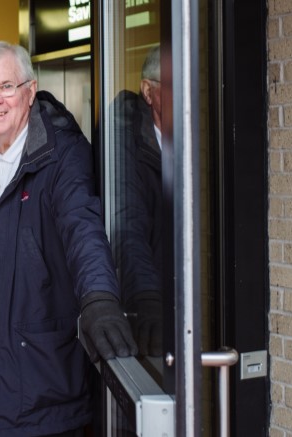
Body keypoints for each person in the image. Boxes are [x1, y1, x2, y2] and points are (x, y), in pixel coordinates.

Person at [0, 41, 138, 437]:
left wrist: (99, 298)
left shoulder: (60, 153)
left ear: (30, 91)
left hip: (38, 349)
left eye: (6, 87)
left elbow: (82, 225)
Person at [111, 45, 163, 360]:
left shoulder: (202, 136)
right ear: (148, 90)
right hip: (145, 310)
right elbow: (127, 227)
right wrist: (148, 299)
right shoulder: (124, 140)